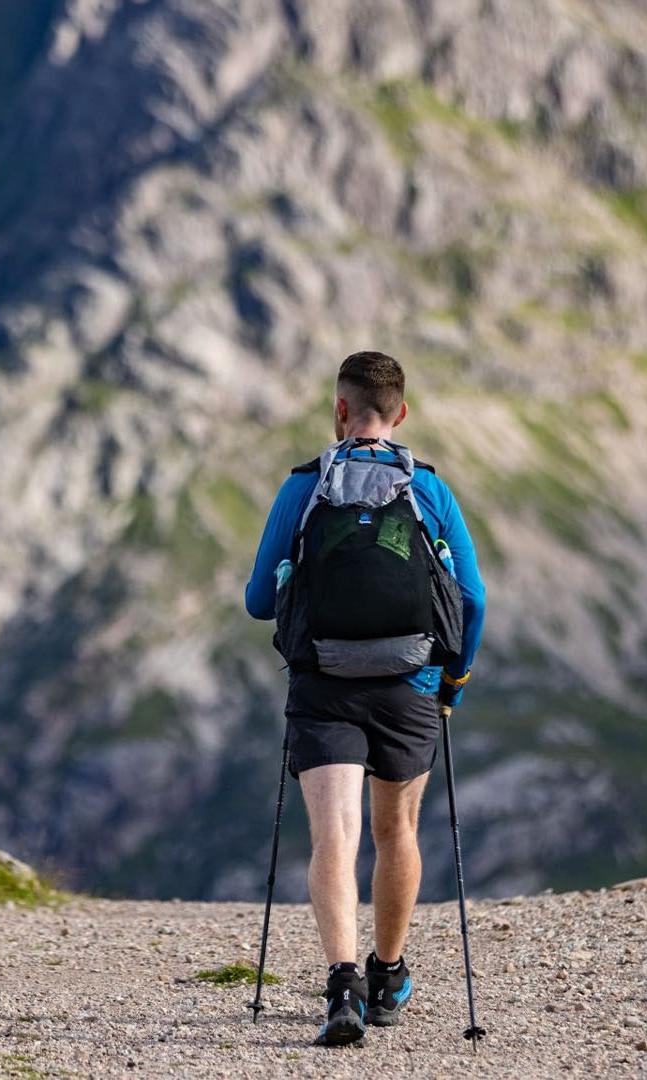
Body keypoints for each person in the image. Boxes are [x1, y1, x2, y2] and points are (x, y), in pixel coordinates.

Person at [244, 350, 486, 1046]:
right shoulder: (430, 489)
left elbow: (260, 601)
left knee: (335, 836)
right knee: (395, 831)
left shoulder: (304, 486)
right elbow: (472, 598)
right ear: (401, 414)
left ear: (339, 410)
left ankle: (341, 985)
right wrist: (454, 679)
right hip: (410, 686)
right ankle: (388, 977)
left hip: (323, 686)